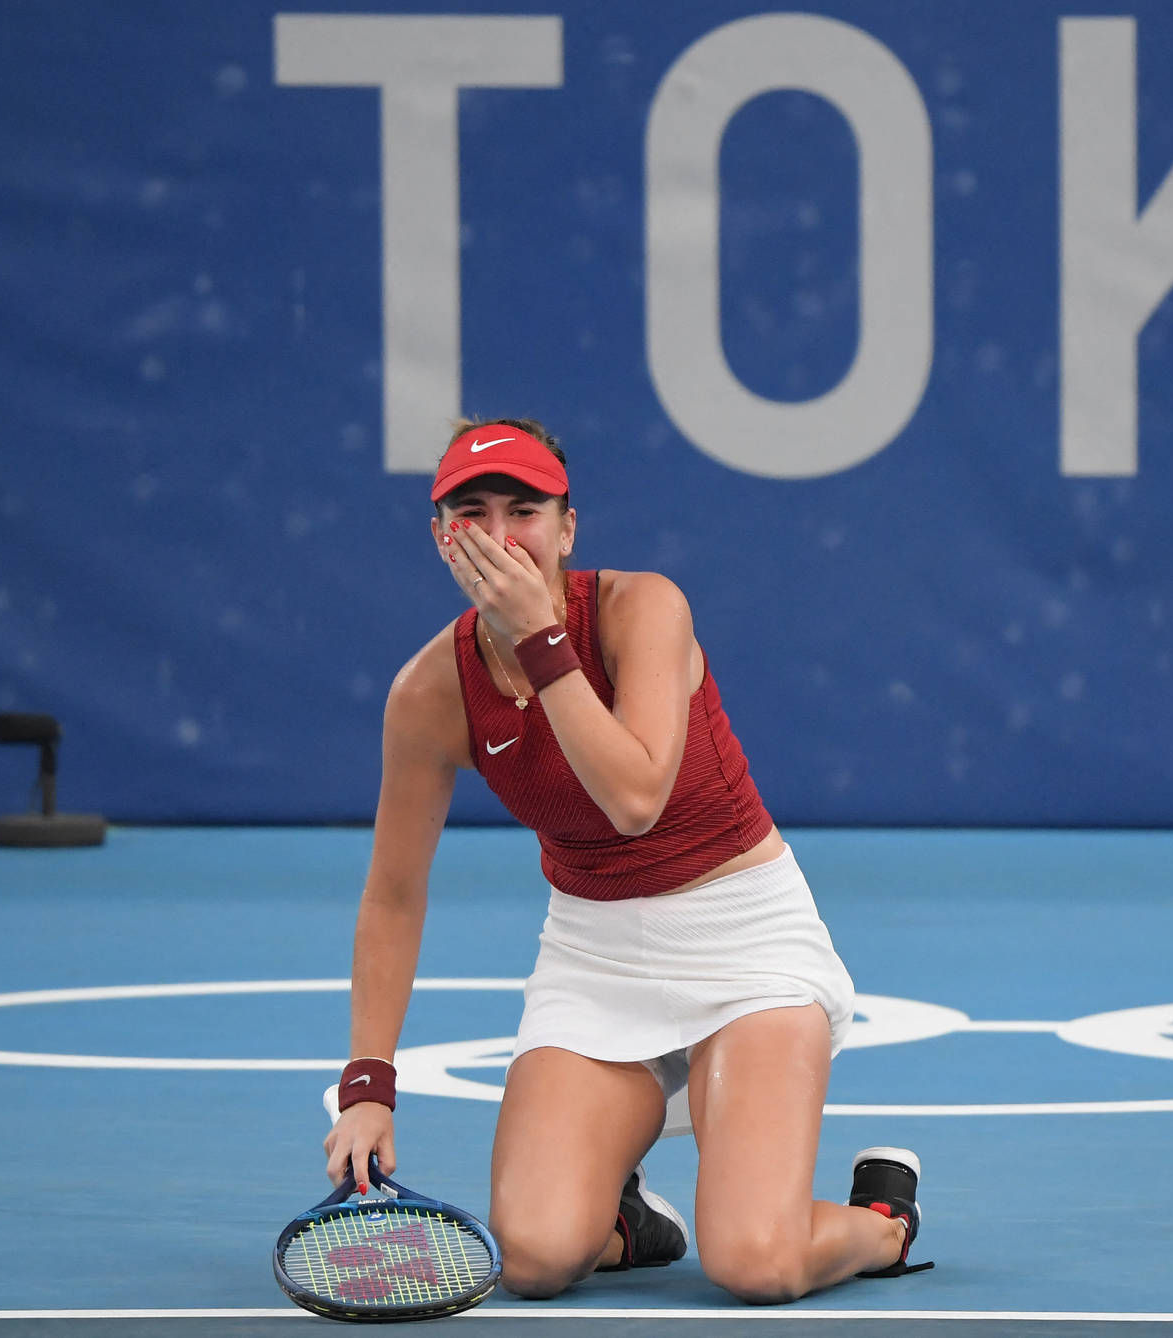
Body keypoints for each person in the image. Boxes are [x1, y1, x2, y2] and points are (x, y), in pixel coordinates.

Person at [322, 417, 930, 1303]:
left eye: (525, 510)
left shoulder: (644, 610)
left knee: (754, 1264)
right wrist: (368, 1085)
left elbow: (636, 801)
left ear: (568, 528)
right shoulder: (428, 693)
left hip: (747, 946)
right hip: (595, 957)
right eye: (472, 512)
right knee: (531, 1258)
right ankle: (628, 1223)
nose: (500, 536)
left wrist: (540, 639)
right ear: (440, 537)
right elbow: (393, 894)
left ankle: (883, 1222)